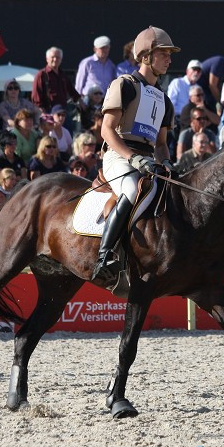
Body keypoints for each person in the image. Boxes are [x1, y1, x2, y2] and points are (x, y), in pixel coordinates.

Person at [90, 26, 178, 283]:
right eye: (164, 54)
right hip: (119, 155)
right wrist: (131, 157)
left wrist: (167, 162)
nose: (169, 59)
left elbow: (161, 143)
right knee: (131, 189)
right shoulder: (125, 85)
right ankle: (104, 257)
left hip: (149, 159)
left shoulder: (164, 99)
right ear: (146, 56)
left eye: (170, 55)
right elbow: (107, 130)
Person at [32, 47, 80, 117]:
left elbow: (73, 92)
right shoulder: (41, 74)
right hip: (49, 112)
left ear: (61, 60)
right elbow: (36, 97)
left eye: (58, 57)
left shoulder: (63, 75)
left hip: (63, 112)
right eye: (52, 57)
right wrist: (43, 113)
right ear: (47, 59)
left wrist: (81, 102)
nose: (55, 59)